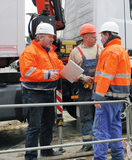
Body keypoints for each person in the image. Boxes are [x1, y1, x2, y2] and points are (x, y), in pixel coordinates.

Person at [19, 23, 64, 160]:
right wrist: (46, 74)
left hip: (48, 92)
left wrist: (74, 74)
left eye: (52, 37)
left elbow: (60, 68)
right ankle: (31, 156)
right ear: (39, 37)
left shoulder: (51, 52)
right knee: (35, 126)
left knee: (48, 123)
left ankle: (46, 150)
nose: (52, 40)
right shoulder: (30, 51)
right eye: (50, 37)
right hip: (34, 93)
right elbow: (27, 71)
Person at [92, 21, 131, 160]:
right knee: (115, 128)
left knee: (101, 131)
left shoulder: (110, 51)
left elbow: (106, 75)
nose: (100, 38)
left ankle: (100, 158)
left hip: (107, 97)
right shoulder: (121, 50)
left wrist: (98, 96)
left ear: (108, 35)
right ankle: (117, 156)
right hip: (118, 98)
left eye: (102, 35)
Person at [69, 23, 103, 153]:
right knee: (86, 117)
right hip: (84, 90)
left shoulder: (100, 49)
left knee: (100, 117)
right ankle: (87, 144)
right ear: (86, 37)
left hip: (99, 89)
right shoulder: (76, 52)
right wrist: (84, 78)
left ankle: (101, 143)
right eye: (93, 37)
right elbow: (71, 72)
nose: (96, 39)